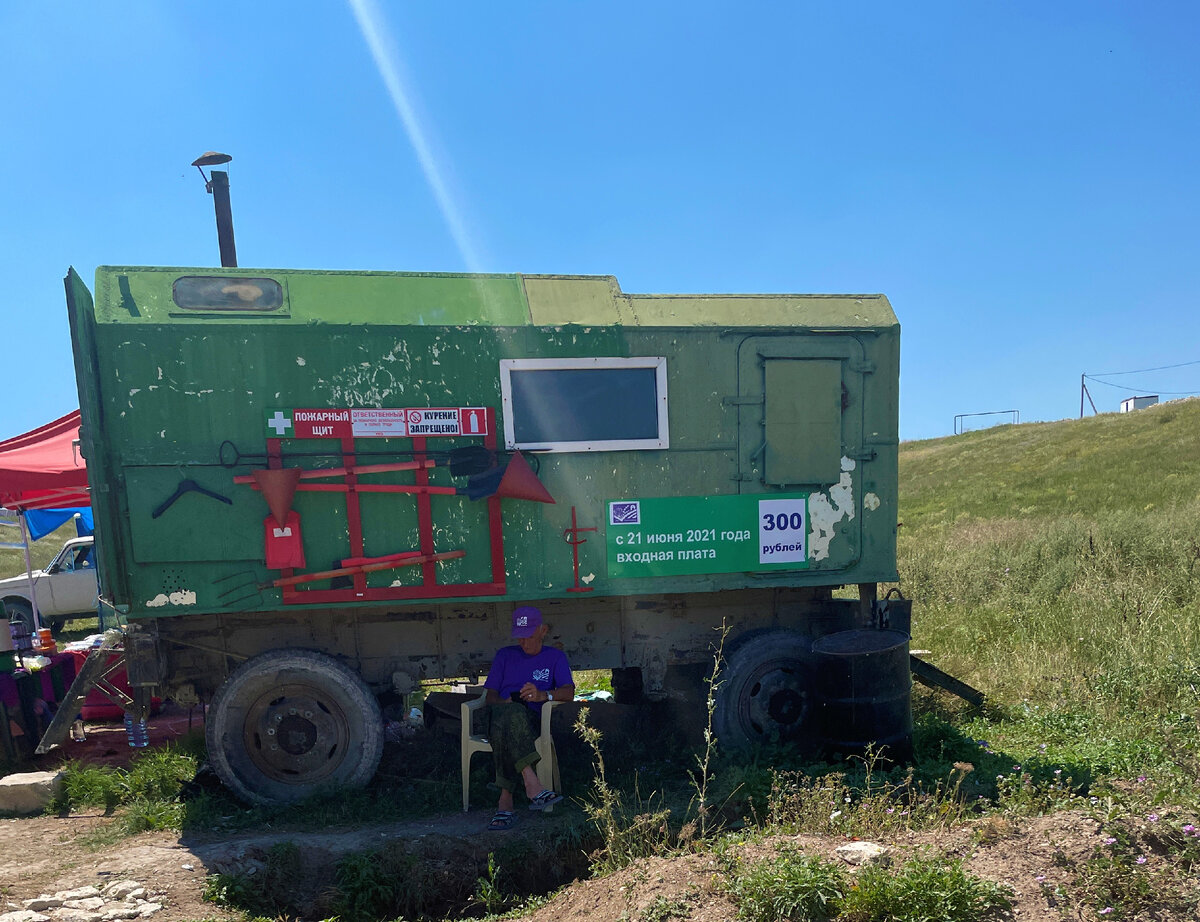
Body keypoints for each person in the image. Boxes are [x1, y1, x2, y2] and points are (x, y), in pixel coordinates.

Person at [481, 605, 573, 830]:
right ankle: (532, 784)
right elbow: (490, 695)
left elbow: (569, 692)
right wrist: (503, 702)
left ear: (543, 631)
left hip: (530, 719)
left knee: (510, 722)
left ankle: (506, 802)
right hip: (497, 714)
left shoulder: (555, 657)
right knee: (508, 713)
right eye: (519, 637)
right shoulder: (505, 655)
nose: (523, 642)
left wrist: (543, 694)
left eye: (529, 636)